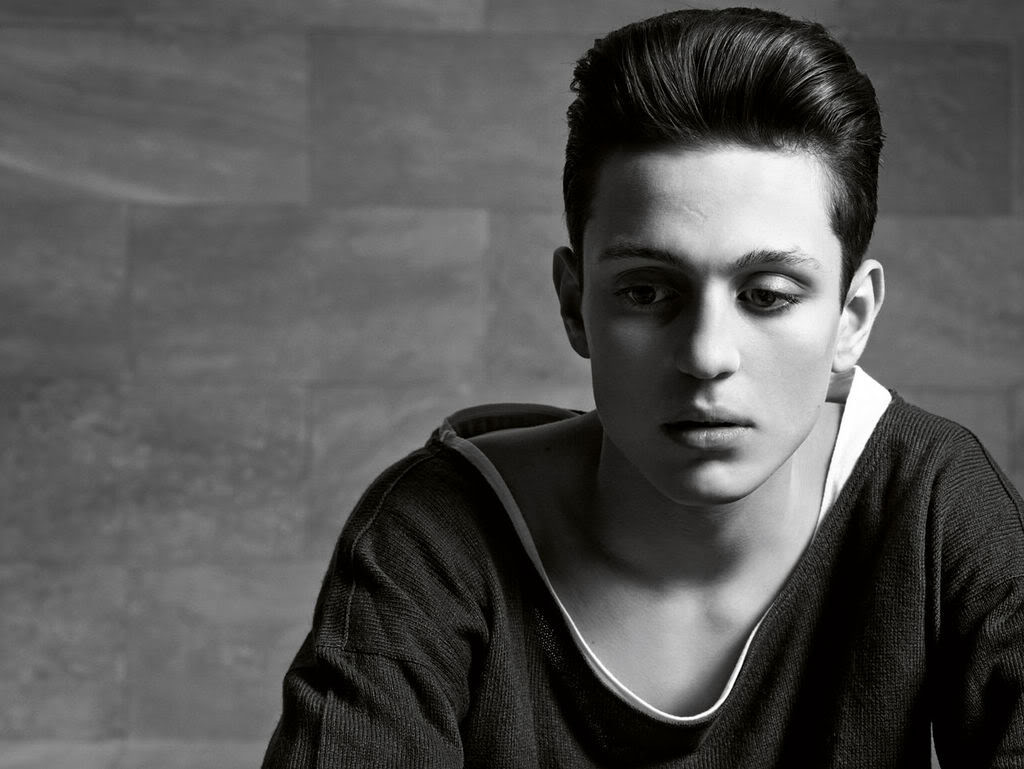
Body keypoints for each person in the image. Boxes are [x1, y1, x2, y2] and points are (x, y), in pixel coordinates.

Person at [262, 8, 1024, 768]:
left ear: (850, 319)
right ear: (575, 305)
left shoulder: (932, 497)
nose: (706, 355)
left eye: (767, 294)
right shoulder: (435, 529)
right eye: (648, 292)